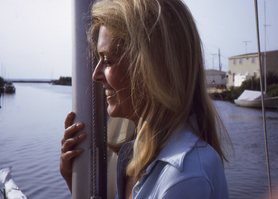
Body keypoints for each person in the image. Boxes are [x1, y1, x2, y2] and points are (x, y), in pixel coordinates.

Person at [60, 0, 229, 198]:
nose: (95, 75)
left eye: (107, 60)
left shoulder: (185, 176)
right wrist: (75, 182)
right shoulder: (134, 154)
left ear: (151, 68)